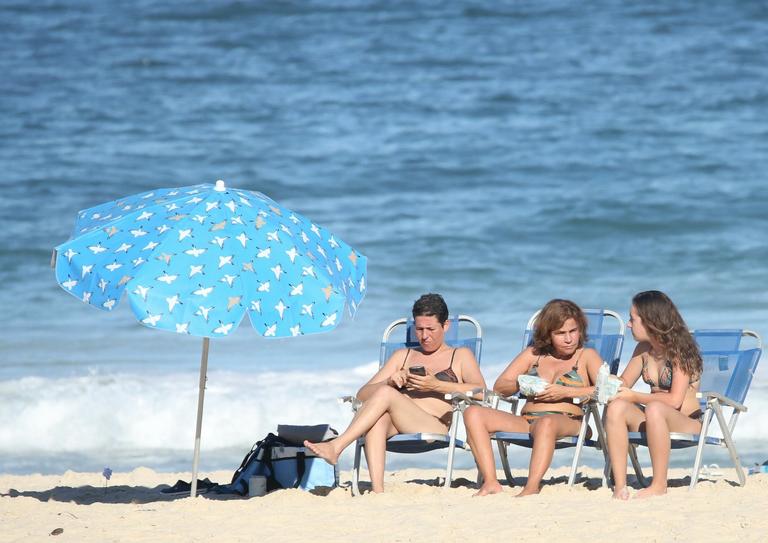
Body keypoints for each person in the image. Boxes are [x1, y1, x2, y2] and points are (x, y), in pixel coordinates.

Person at [304, 293, 486, 493]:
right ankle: (378, 491)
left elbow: (482, 393)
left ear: (445, 326)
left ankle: (337, 446)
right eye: (419, 329)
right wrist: (390, 381)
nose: (425, 336)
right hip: (398, 422)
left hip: (433, 424)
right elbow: (363, 393)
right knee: (378, 416)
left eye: (431, 329)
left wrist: (436, 385)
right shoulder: (403, 355)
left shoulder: (459, 356)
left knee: (386, 394)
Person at [463, 299, 602, 497]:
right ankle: (491, 482)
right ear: (548, 334)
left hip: (569, 421)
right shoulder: (533, 355)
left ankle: (531, 486)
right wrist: (523, 383)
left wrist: (566, 392)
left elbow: (607, 390)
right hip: (527, 422)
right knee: (473, 413)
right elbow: (500, 387)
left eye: (573, 331)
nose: (569, 339)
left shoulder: (587, 356)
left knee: (546, 422)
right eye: (560, 333)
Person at [605, 290, 703, 499]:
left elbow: (675, 400)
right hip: (653, 418)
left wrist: (634, 397)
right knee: (616, 407)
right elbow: (624, 383)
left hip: (686, 421)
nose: (628, 324)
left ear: (650, 321)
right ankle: (620, 486)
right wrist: (606, 381)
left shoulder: (681, 351)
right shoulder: (643, 349)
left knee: (656, 408)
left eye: (632, 319)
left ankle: (659, 484)